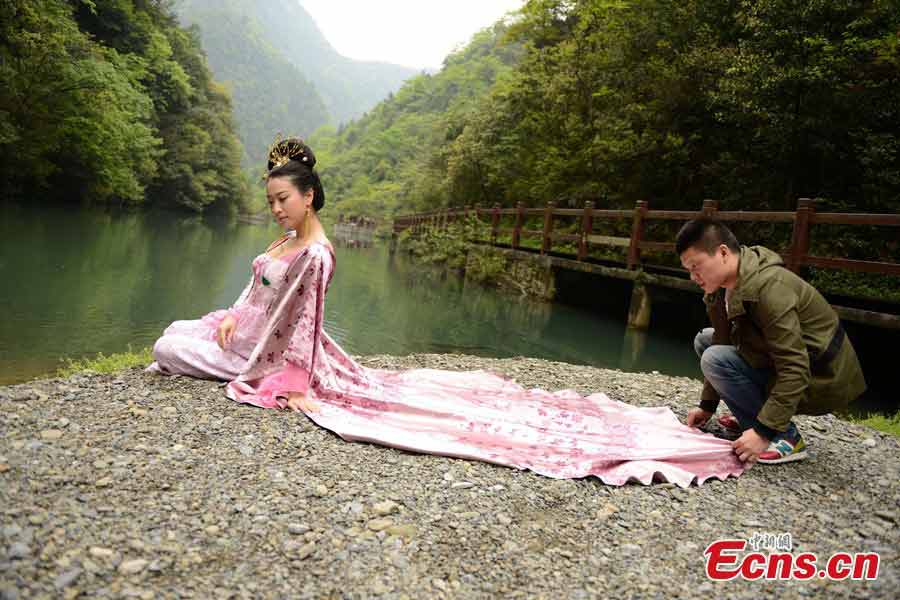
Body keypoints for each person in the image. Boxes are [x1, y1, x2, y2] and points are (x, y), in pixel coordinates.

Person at [148, 137, 748, 488]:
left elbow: (305, 323)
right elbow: (256, 290)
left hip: (270, 351)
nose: (276, 209)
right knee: (180, 332)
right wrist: (228, 313)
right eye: (271, 200)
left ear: (309, 197)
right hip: (244, 330)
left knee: (166, 348)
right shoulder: (283, 242)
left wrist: (297, 381)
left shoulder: (318, 254)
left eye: (284, 199)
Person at [676, 218, 866, 465]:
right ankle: (756, 417)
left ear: (723, 252)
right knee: (706, 340)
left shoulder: (769, 287)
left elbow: (795, 367)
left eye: (696, 266)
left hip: (822, 376)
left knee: (715, 358)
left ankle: (785, 436)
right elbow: (721, 339)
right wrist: (707, 406)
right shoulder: (721, 287)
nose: (693, 276)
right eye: (688, 270)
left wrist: (763, 432)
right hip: (783, 363)